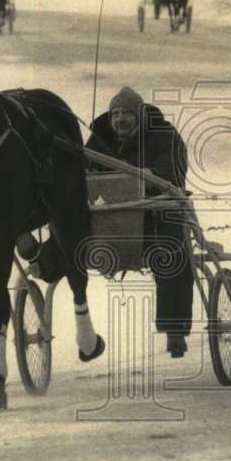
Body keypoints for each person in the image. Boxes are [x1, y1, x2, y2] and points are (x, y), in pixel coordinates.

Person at [86, 86, 193, 358]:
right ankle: (44, 263)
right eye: (115, 115)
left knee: (171, 250)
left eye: (126, 114)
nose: (119, 120)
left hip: (152, 216)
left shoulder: (165, 137)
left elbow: (171, 176)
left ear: (140, 115)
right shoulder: (99, 142)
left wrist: (139, 181)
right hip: (109, 222)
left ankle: (175, 328)